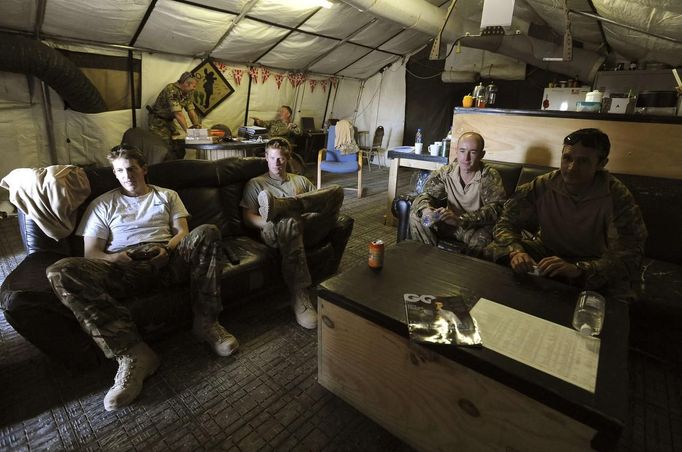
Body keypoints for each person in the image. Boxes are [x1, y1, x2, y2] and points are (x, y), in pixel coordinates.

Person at [46, 145, 238, 411]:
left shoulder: (168, 195)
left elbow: (183, 231)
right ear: (114, 173)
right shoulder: (102, 204)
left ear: (144, 169)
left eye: (132, 169)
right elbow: (91, 253)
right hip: (123, 267)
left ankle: (207, 322)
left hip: (168, 259)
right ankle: (132, 353)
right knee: (60, 270)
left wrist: (167, 249)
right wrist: (117, 259)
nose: (127, 175)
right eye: (120, 171)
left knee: (208, 231)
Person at [493, 128, 647, 301]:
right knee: (493, 251)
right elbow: (506, 221)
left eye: (583, 162)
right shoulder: (543, 185)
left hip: (593, 262)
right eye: (567, 158)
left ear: (601, 164)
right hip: (547, 252)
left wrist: (579, 269)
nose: (572, 168)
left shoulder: (616, 196)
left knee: (621, 291)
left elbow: (629, 254)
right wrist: (516, 252)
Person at [240, 138, 343, 329]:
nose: (276, 163)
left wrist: (301, 213)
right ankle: (300, 294)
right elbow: (248, 217)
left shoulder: (301, 180)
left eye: (280, 159)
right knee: (289, 222)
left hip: (308, 225)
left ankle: (285, 205)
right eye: (272, 158)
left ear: (287, 158)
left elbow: (320, 202)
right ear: (266, 157)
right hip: (277, 231)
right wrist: (272, 221)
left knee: (336, 190)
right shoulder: (256, 184)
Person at [409, 132, 507, 255]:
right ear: (456, 151)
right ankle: (427, 260)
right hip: (448, 223)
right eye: (462, 151)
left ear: (482, 155)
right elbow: (426, 195)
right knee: (416, 217)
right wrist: (427, 210)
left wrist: (461, 220)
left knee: (483, 239)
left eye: (473, 152)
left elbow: (496, 209)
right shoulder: (446, 172)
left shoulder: (489, 176)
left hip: (473, 227)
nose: (466, 158)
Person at [148, 72, 202, 143]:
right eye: (194, 86)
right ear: (186, 84)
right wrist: (188, 132)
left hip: (169, 121)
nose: (194, 89)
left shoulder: (187, 92)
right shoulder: (171, 90)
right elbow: (178, 114)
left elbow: (191, 110)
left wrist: (197, 126)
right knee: (164, 145)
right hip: (158, 121)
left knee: (177, 145)